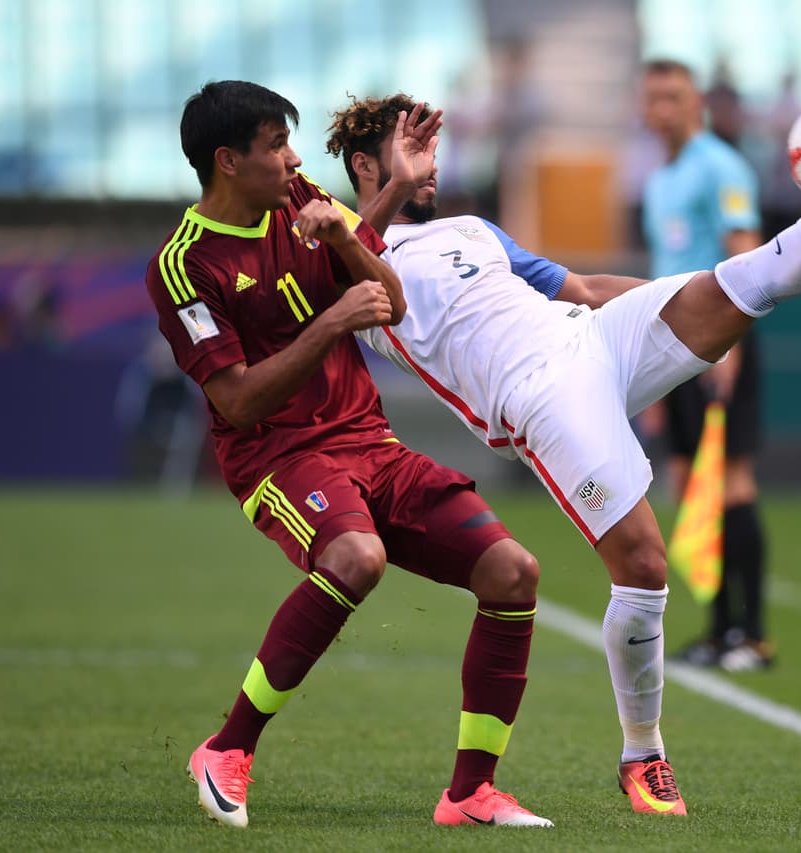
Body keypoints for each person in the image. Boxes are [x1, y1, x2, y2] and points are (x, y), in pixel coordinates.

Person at [326, 93, 801, 816]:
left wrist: (690, 305)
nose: (428, 161)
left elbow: (584, 289)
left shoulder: (472, 228)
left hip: (593, 339)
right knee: (645, 566)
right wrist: (396, 188)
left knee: (748, 280)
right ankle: (642, 751)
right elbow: (341, 286)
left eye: (430, 146)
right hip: (538, 396)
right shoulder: (343, 252)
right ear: (368, 165)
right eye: (410, 148)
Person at [144, 81, 553, 830]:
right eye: (276, 146)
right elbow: (237, 401)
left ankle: (470, 792)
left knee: (513, 570)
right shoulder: (184, 266)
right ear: (228, 161)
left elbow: (388, 300)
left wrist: (352, 228)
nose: (295, 160)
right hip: (278, 459)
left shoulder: (296, 198)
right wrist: (332, 318)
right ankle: (227, 748)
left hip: (369, 441)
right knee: (357, 557)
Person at [637, 59, 772, 672]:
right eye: (654, 97)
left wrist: (733, 347)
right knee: (695, 491)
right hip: (676, 351)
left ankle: (754, 634)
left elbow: (746, 261)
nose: (663, 107)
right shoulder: (660, 178)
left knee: (733, 481)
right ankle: (720, 632)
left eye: (674, 96)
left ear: (697, 104)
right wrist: (658, 380)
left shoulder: (720, 167)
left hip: (720, 345)